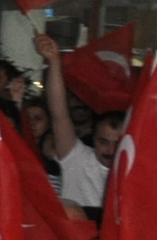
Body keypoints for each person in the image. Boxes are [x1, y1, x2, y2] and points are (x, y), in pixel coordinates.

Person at [35, 32, 123, 213]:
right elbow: (59, 113)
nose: (110, 151)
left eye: (117, 144)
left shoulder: (136, 173)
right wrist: (54, 61)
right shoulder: (78, 159)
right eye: (104, 142)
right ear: (93, 136)